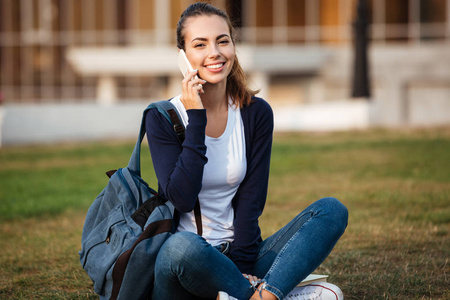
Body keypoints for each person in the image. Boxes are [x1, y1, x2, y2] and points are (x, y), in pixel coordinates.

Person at [145, 3, 348, 300]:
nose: (214, 52)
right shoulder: (163, 117)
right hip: (186, 263)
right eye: (200, 44)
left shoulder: (256, 114)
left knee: (331, 211)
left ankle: (257, 296)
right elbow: (181, 198)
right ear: (183, 57)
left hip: (243, 255)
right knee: (181, 246)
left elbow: (251, 203)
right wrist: (197, 117)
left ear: (233, 46)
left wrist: (238, 269)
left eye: (222, 40)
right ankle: (272, 292)